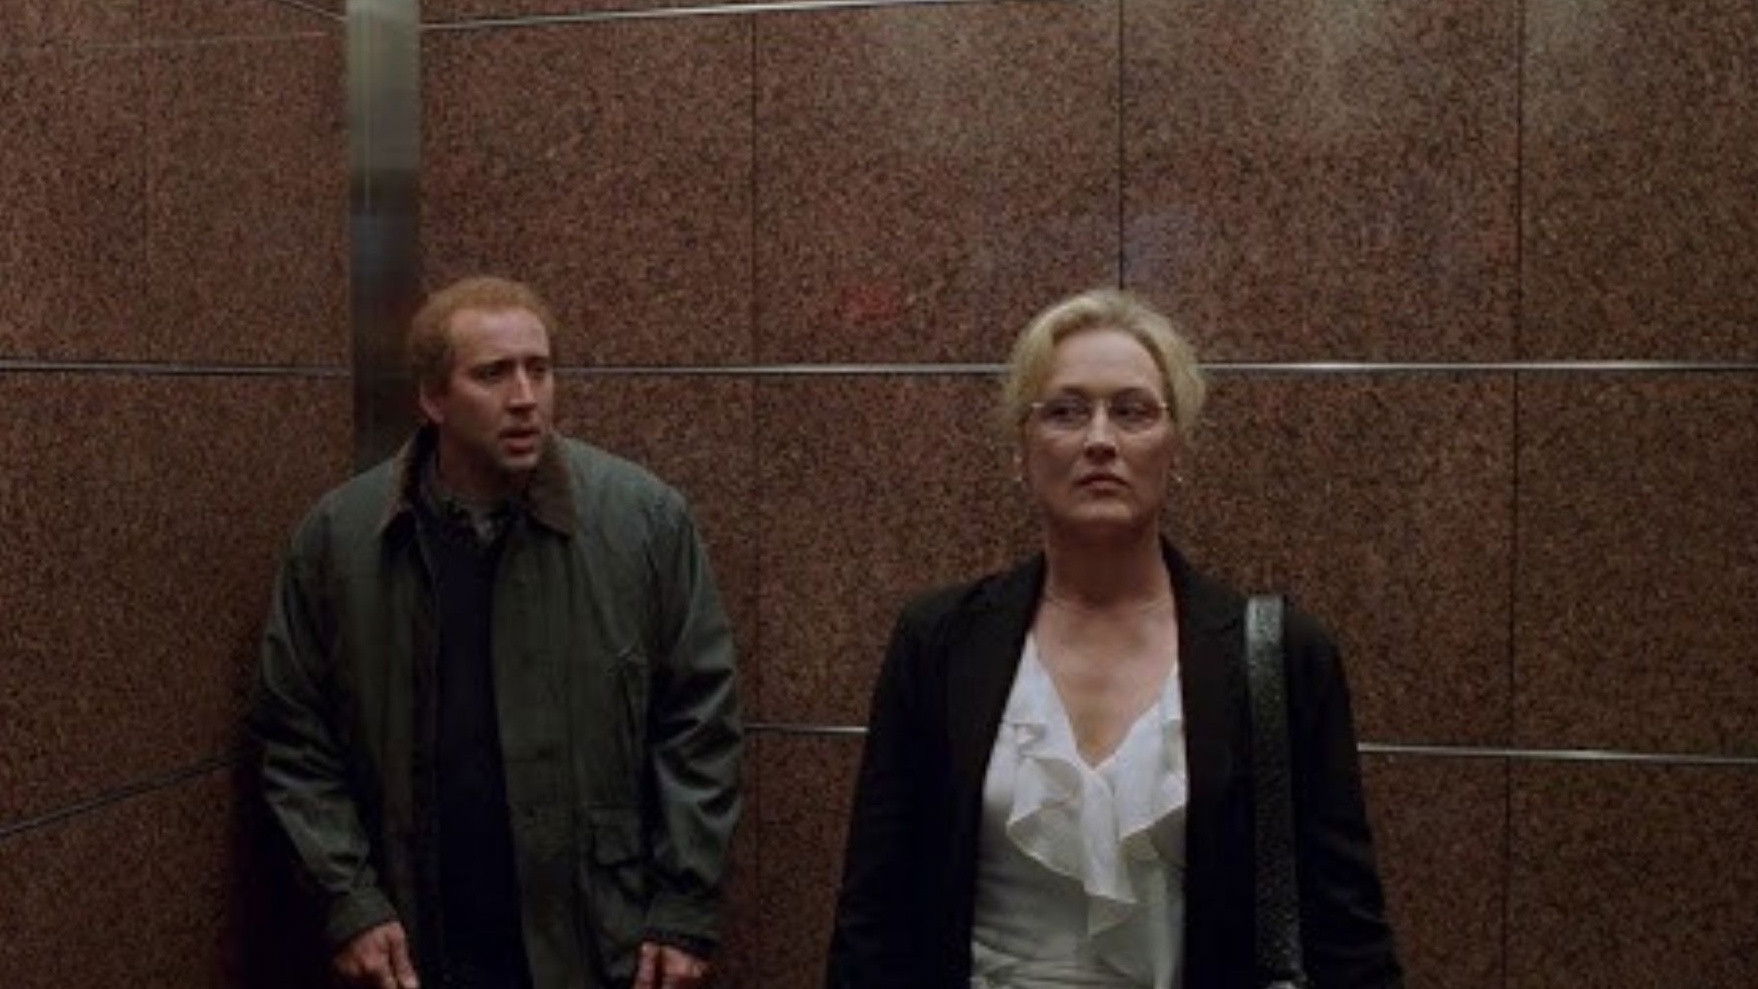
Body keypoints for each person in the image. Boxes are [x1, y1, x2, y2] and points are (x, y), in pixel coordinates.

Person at [826, 289, 1401, 988]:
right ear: (1021, 449)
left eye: (1132, 411)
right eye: (1065, 411)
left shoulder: (1278, 656)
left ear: (1175, 446)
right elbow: (874, 914)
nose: (1100, 439)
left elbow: (1347, 930)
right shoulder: (941, 643)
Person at [254, 275, 742, 989]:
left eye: (539, 370)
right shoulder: (343, 539)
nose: (524, 397)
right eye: (492, 374)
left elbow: (699, 722)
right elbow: (295, 735)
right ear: (433, 398)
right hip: (418, 941)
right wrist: (348, 900)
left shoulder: (641, 522)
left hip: (593, 937)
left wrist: (684, 905)